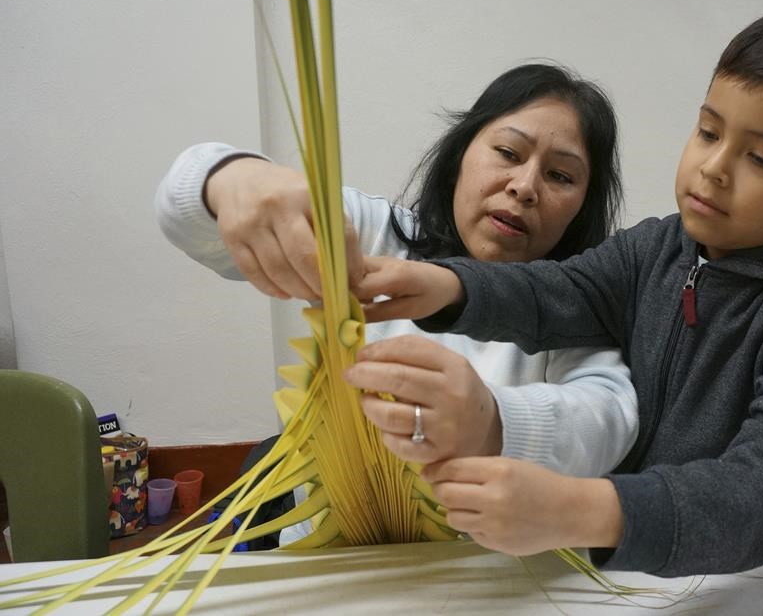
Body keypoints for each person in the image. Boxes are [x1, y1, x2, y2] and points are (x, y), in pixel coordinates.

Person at [346, 2, 763, 576]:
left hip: (760, 582)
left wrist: (586, 510)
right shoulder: (658, 247)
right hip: (638, 569)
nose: (714, 167)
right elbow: (560, 290)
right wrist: (446, 284)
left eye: (762, 159)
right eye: (708, 131)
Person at [155, 62, 638, 487]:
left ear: (582, 207)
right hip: (330, 563)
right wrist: (233, 179)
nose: (524, 186)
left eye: (560, 176)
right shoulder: (372, 235)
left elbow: (607, 420)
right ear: (460, 157)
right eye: (509, 153)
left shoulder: (573, 306)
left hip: (491, 574)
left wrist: (492, 421)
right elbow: (185, 206)